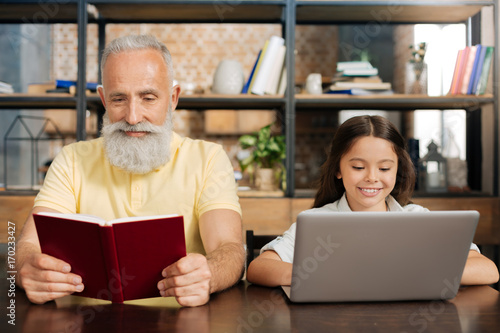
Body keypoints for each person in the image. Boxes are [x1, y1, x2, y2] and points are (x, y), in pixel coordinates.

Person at [15, 35, 245, 307]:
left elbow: (230, 250)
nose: (133, 117)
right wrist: (27, 267)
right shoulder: (71, 160)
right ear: (103, 99)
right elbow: (29, 245)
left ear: (172, 99)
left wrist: (211, 274)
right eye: (119, 99)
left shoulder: (208, 158)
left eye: (148, 98)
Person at [247, 115, 499, 287]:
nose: (371, 178)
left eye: (384, 168)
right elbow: (259, 268)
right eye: (358, 166)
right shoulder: (317, 221)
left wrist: (416, 273)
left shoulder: (418, 219)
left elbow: (488, 269)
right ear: (338, 169)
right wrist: (322, 275)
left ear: (397, 170)